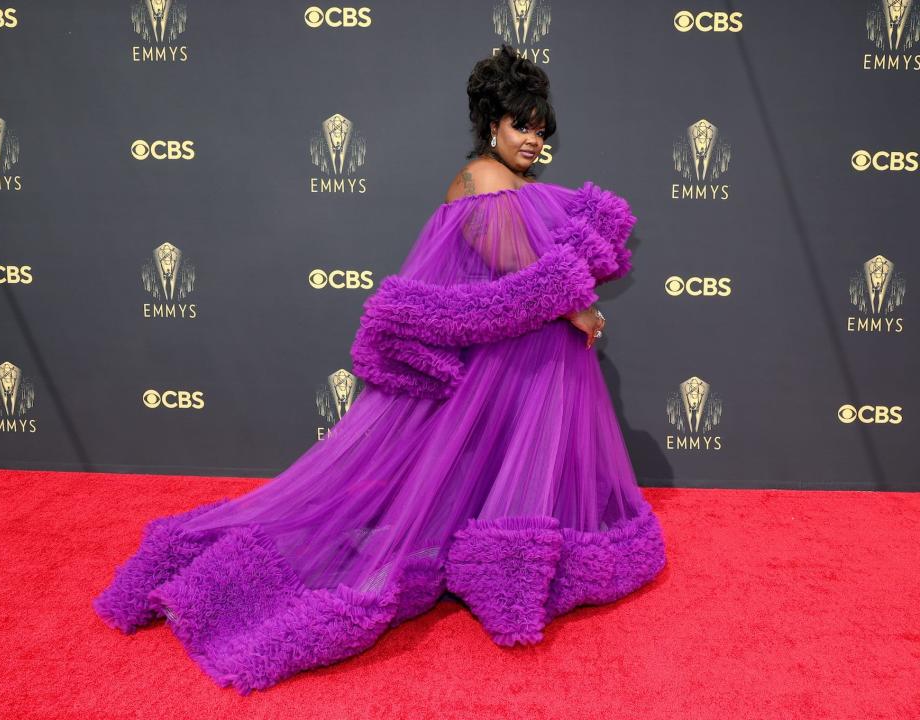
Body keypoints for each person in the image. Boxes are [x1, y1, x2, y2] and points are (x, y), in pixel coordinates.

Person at [92, 43, 667, 695]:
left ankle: (502, 562)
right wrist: (577, 309)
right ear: (490, 125)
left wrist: (568, 302)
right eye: (520, 125)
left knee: (495, 474)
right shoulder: (482, 179)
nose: (533, 138)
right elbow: (512, 269)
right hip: (505, 369)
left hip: (521, 370)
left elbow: (523, 273)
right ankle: (234, 592)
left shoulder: (517, 186)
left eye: (540, 127)